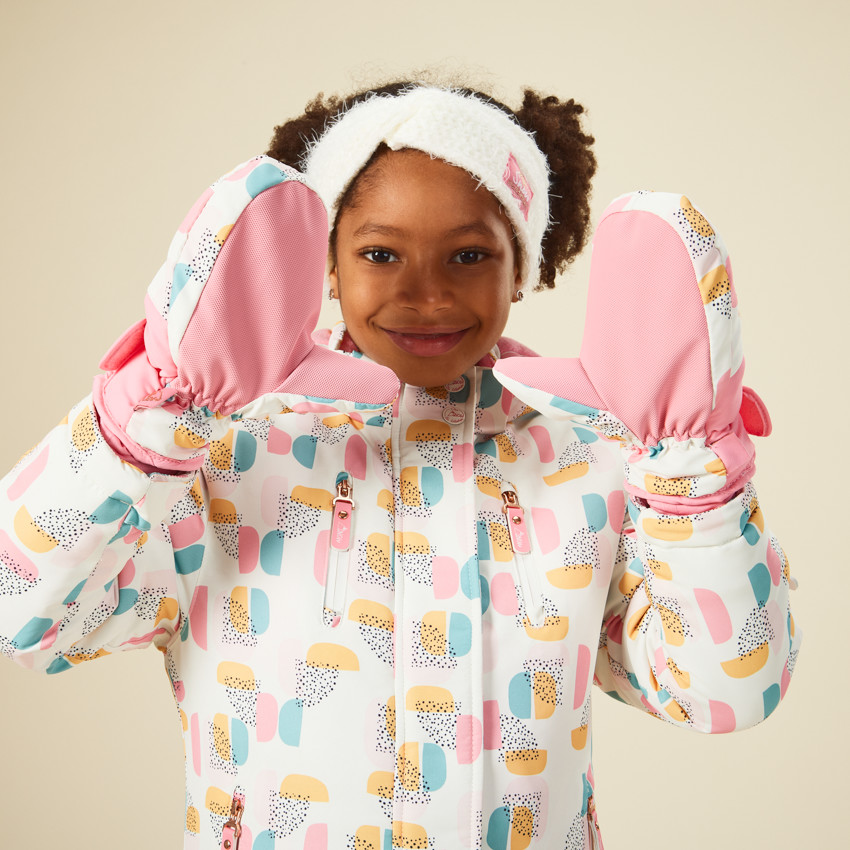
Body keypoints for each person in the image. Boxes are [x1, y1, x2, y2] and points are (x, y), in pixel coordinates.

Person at [0, 80, 797, 849]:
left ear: (521, 264)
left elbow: (724, 692)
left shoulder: (593, 458)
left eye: (469, 255)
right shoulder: (227, 454)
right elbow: (23, 612)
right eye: (381, 252)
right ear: (327, 265)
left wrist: (692, 481)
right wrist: (146, 423)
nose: (424, 295)